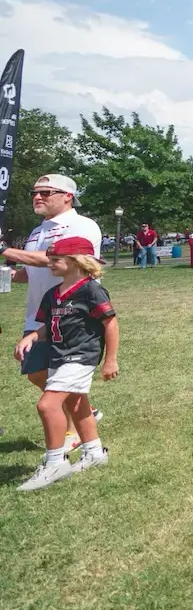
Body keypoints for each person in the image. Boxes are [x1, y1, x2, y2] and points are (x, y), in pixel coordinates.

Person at [1, 175, 105, 455]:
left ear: (67, 196)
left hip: (72, 313)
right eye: (34, 192)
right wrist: (10, 274)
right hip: (39, 313)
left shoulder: (82, 226)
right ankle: (85, 412)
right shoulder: (37, 232)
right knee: (35, 371)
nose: (38, 197)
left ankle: (75, 433)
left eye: (46, 192)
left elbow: (54, 261)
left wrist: (5, 249)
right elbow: (33, 270)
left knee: (59, 376)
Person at [12, 236, 119, 490]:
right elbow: (48, 326)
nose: (49, 263)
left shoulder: (91, 290)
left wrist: (110, 360)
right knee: (76, 402)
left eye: (56, 259)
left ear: (75, 261)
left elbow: (110, 323)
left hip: (81, 356)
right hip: (59, 356)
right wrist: (32, 337)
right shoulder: (53, 294)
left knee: (47, 405)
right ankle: (94, 453)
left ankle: (55, 462)